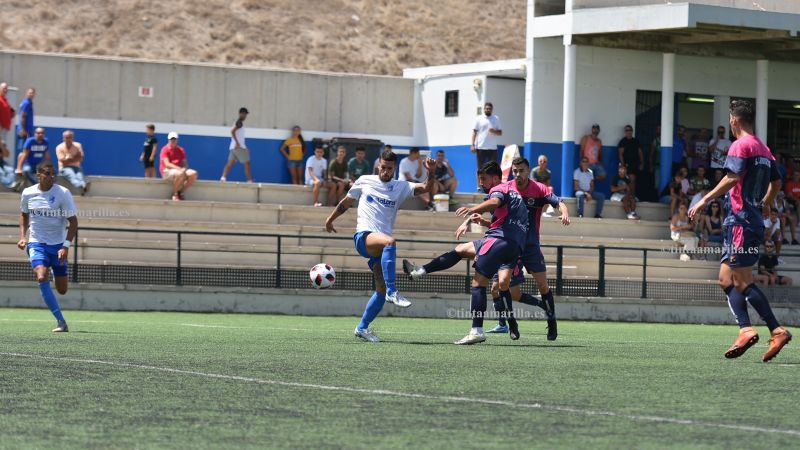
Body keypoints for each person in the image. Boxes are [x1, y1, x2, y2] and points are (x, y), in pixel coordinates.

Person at [688, 99, 791, 362]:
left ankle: (776, 330)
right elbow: (777, 181)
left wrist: (704, 199)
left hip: (741, 221)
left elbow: (732, 177)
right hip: (747, 220)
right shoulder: (764, 149)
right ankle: (746, 329)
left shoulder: (740, 145)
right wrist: (767, 202)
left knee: (743, 280)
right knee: (725, 278)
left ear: (734, 120)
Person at [401, 162, 531, 345]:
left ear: (495, 178)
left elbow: (494, 201)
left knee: (478, 283)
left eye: (484, 179)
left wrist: (472, 209)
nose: (481, 184)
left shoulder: (499, 189)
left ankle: (477, 330)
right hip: (514, 245)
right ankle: (419, 271)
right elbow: (508, 219)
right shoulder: (513, 192)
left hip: (499, 240)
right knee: (461, 249)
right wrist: (478, 222)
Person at [324, 151, 436, 343]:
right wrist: (330, 220)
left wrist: (431, 172)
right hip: (364, 237)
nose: (385, 171)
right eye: (383, 167)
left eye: (389, 168)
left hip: (380, 248)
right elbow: (346, 203)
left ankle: (362, 328)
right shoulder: (364, 180)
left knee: (380, 291)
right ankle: (394, 291)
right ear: (378, 166)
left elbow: (426, 187)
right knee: (390, 241)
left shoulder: (400, 187)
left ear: (394, 168)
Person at [482, 157, 570, 341]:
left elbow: (559, 202)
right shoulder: (507, 188)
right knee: (501, 284)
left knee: (543, 285)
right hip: (510, 244)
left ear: (528, 170)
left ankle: (552, 321)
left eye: (521, 170)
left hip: (530, 246)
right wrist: (478, 219)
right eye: (515, 171)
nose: (518, 174)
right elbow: (497, 217)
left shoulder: (538, 189)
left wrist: (564, 212)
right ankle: (511, 323)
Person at [17, 162, 77, 332]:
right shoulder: (28, 193)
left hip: (58, 246)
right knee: (41, 276)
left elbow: (73, 223)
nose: (51, 177)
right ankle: (61, 321)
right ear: (38, 175)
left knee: (62, 290)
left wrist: (65, 246)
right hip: (37, 242)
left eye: (53, 174)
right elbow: (24, 214)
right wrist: (23, 237)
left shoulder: (62, 193)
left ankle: (55, 268)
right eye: (48, 174)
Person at [471, 102, 502, 189]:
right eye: (486, 108)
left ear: (492, 109)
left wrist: (494, 131)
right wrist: (472, 145)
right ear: (484, 109)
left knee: (494, 168)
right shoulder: (478, 119)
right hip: (481, 147)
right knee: (480, 169)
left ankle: (495, 185)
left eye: (489, 108)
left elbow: (500, 132)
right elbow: (474, 132)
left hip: (492, 148)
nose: (488, 110)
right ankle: (479, 186)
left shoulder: (496, 119)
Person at [159, 132, 198, 201]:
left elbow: (185, 163)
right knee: (179, 173)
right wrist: (180, 169)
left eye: (174, 139)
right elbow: (167, 164)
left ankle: (181, 192)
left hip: (179, 170)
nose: (173, 141)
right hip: (166, 171)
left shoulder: (181, 150)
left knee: (193, 173)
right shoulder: (164, 149)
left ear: (177, 140)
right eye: (171, 139)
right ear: (168, 140)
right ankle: (175, 194)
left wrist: (184, 168)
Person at [220, 107, 253, 183]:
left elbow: (238, 135)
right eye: (244, 114)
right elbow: (232, 131)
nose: (245, 116)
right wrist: (238, 143)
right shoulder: (239, 122)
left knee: (229, 164)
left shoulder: (237, 122)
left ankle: (223, 177)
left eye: (246, 114)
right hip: (239, 147)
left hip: (233, 147)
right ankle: (249, 180)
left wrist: (244, 147)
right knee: (247, 164)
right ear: (241, 114)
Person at [55, 130, 90, 195]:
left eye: (70, 137)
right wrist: (75, 157)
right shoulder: (59, 147)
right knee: (72, 176)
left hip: (77, 167)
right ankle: (82, 187)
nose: (68, 139)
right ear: (63, 138)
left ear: (72, 138)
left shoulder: (78, 145)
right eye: (66, 137)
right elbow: (62, 161)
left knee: (80, 177)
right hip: (64, 168)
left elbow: (81, 157)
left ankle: (83, 188)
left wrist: (69, 158)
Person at [16, 87, 35, 153]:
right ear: (27, 93)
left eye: (32, 93)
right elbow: (23, 116)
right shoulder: (26, 103)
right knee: (24, 150)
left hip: (27, 130)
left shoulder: (29, 103)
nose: (31, 94)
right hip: (25, 131)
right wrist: (23, 129)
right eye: (30, 93)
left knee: (27, 150)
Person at [649, 125, 661, 190]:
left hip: (668, 166)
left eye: (660, 129)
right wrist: (651, 166)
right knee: (657, 184)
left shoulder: (670, 139)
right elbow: (651, 155)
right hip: (658, 166)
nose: (659, 130)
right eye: (658, 129)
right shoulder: (655, 141)